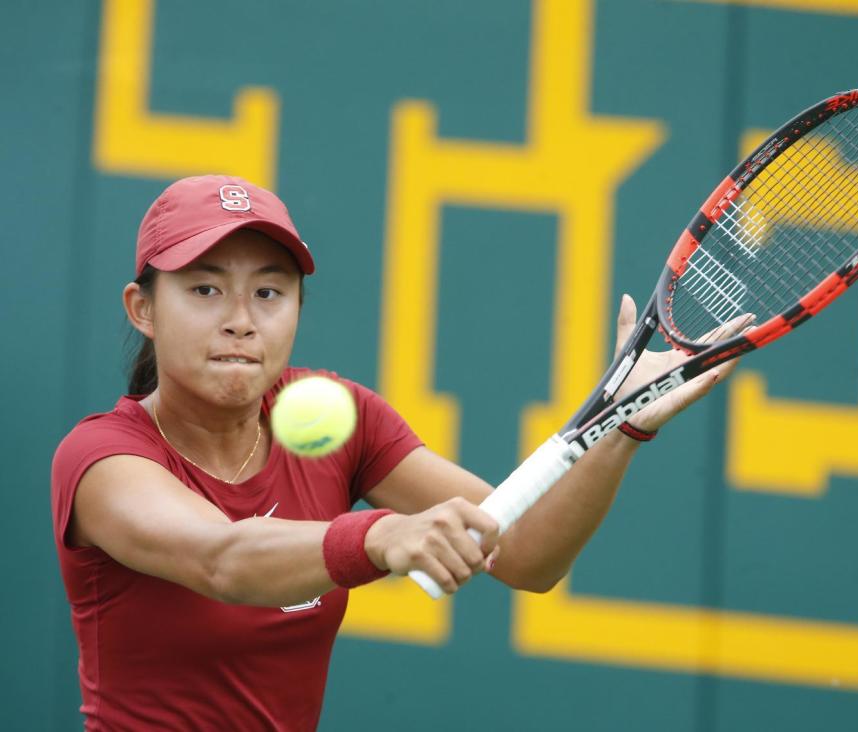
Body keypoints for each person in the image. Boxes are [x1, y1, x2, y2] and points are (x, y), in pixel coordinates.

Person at [51, 175, 737, 730]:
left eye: (269, 291)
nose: (240, 319)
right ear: (143, 309)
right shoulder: (103, 461)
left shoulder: (336, 420)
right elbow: (223, 559)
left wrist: (620, 429)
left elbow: (524, 553)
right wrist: (381, 534)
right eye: (205, 289)